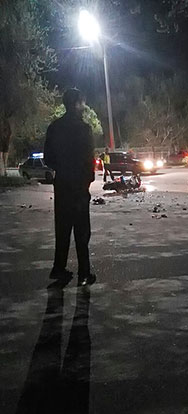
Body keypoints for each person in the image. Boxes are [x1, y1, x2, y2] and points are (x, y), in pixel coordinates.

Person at [43, 88, 96, 286]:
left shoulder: (54, 127)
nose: (84, 106)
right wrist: (87, 180)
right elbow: (89, 160)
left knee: (62, 229)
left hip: (62, 184)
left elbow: (48, 158)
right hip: (79, 186)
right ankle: (84, 273)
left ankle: (59, 268)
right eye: (82, 102)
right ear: (76, 104)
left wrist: (62, 168)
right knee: (82, 231)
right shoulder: (84, 129)